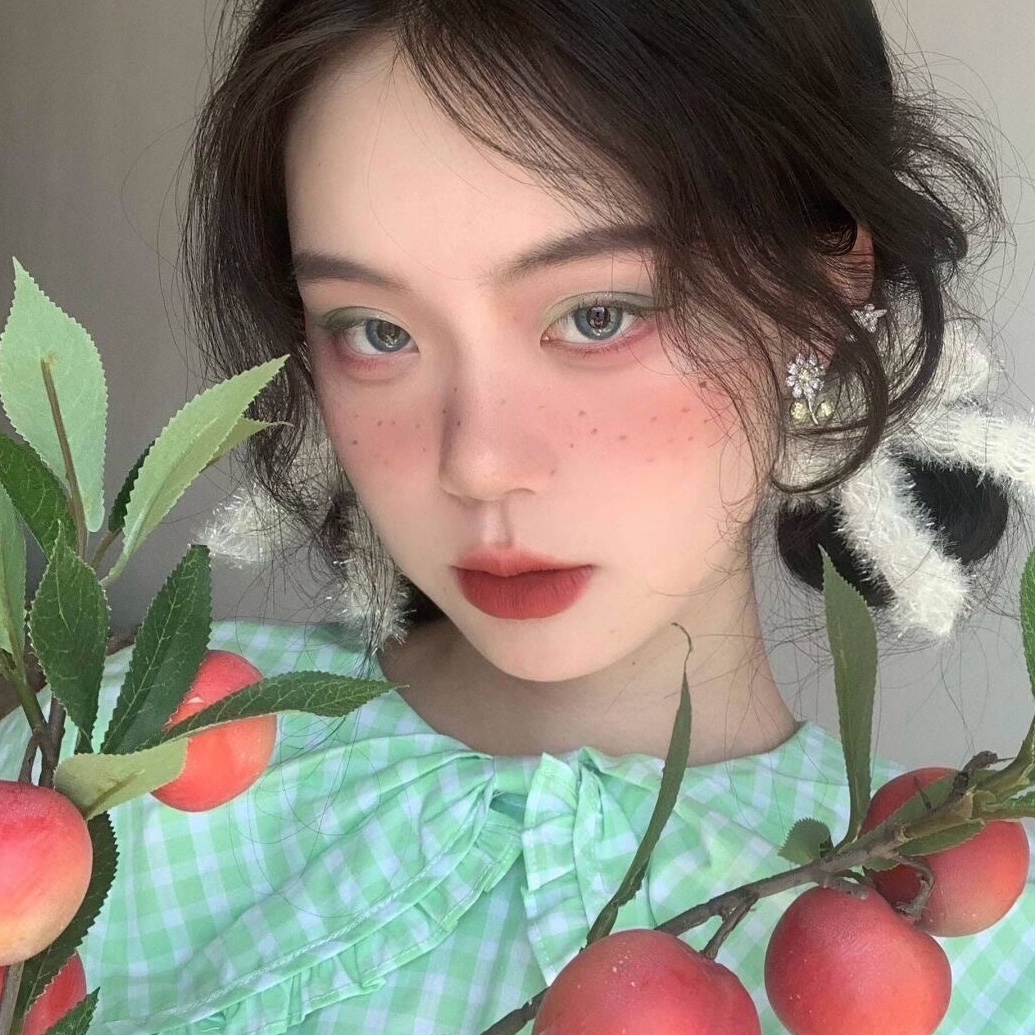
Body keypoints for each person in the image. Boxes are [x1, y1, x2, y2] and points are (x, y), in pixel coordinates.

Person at [2, 1, 1034, 1032]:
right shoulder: (123, 756)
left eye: (597, 315)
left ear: (820, 292)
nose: (477, 463)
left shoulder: (986, 953)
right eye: (377, 330)